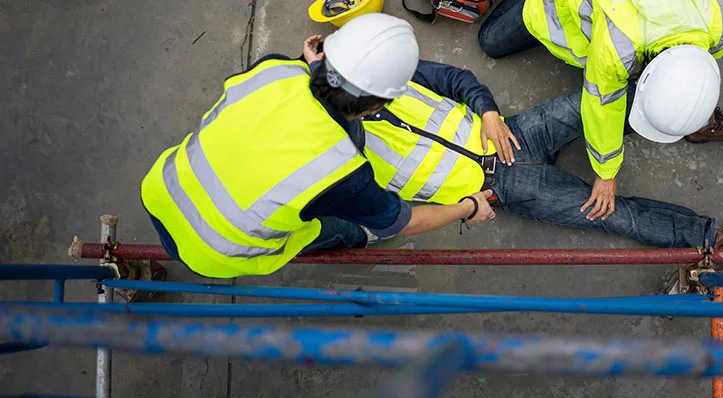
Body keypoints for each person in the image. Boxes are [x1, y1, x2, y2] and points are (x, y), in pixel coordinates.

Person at [140, 14, 495, 279]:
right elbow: (404, 222)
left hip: (162, 188)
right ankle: (359, 236)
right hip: (214, 250)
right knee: (338, 226)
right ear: (375, 107)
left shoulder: (275, 68)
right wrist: (467, 207)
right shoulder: (342, 170)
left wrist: (313, 68)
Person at [477, 0, 723, 223]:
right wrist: (606, 173)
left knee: (674, 95)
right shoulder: (616, 48)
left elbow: (695, 72)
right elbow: (602, 107)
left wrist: (693, 104)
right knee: (491, 41)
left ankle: (700, 122)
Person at [355, 59, 723, 272]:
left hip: (512, 132)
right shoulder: (340, 167)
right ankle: (717, 239)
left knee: (603, 104)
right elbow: (393, 221)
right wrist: (468, 208)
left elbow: (455, 79)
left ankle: (693, 118)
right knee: (612, 214)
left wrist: (489, 112)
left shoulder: (373, 73)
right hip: (500, 187)